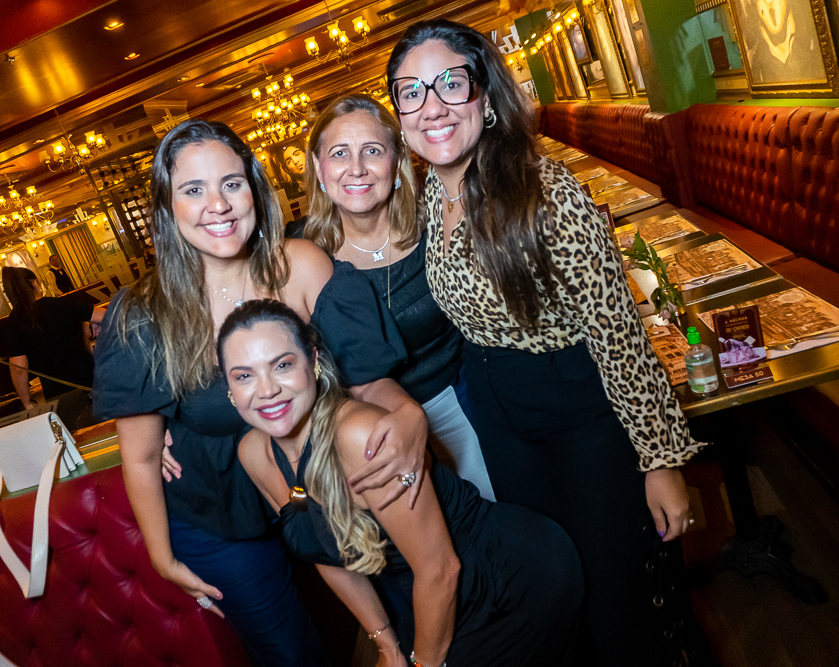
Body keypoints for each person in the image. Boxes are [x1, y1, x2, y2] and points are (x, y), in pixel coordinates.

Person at [387, 20, 707, 666]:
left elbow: (617, 330)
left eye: (451, 82)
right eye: (411, 92)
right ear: (399, 115)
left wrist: (660, 459)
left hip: (580, 414)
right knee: (559, 590)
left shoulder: (545, 189)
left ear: (483, 92)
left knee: (619, 605)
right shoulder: (425, 197)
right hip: (502, 420)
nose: (434, 106)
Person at [92, 119, 429, 667]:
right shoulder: (141, 315)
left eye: (231, 183)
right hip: (213, 510)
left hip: (320, 480)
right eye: (192, 190)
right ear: (167, 209)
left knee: (408, 610)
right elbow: (142, 453)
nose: (217, 205)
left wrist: (407, 415)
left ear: (254, 186)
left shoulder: (301, 264)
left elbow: (368, 377)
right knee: (292, 653)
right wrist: (161, 556)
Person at [220, 299, 584, 667]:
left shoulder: (359, 436)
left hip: (502, 580)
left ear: (313, 362)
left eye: (282, 365)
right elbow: (324, 553)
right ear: (230, 390)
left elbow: (441, 569)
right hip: (429, 598)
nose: (266, 390)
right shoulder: (254, 453)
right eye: (244, 375)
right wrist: (386, 644)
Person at [300, 93, 494, 500]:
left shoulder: (438, 222)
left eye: (372, 150)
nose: (356, 168)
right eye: (339, 153)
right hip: (367, 431)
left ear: (397, 162)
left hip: (464, 403)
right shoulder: (300, 255)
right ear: (319, 167)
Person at [0, 266, 102, 423]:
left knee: (79, 434)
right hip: (91, 379)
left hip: (58, 393)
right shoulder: (63, 304)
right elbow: (111, 314)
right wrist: (91, 321)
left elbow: (18, 368)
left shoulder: (13, 324)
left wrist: (27, 403)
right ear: (35, 283)